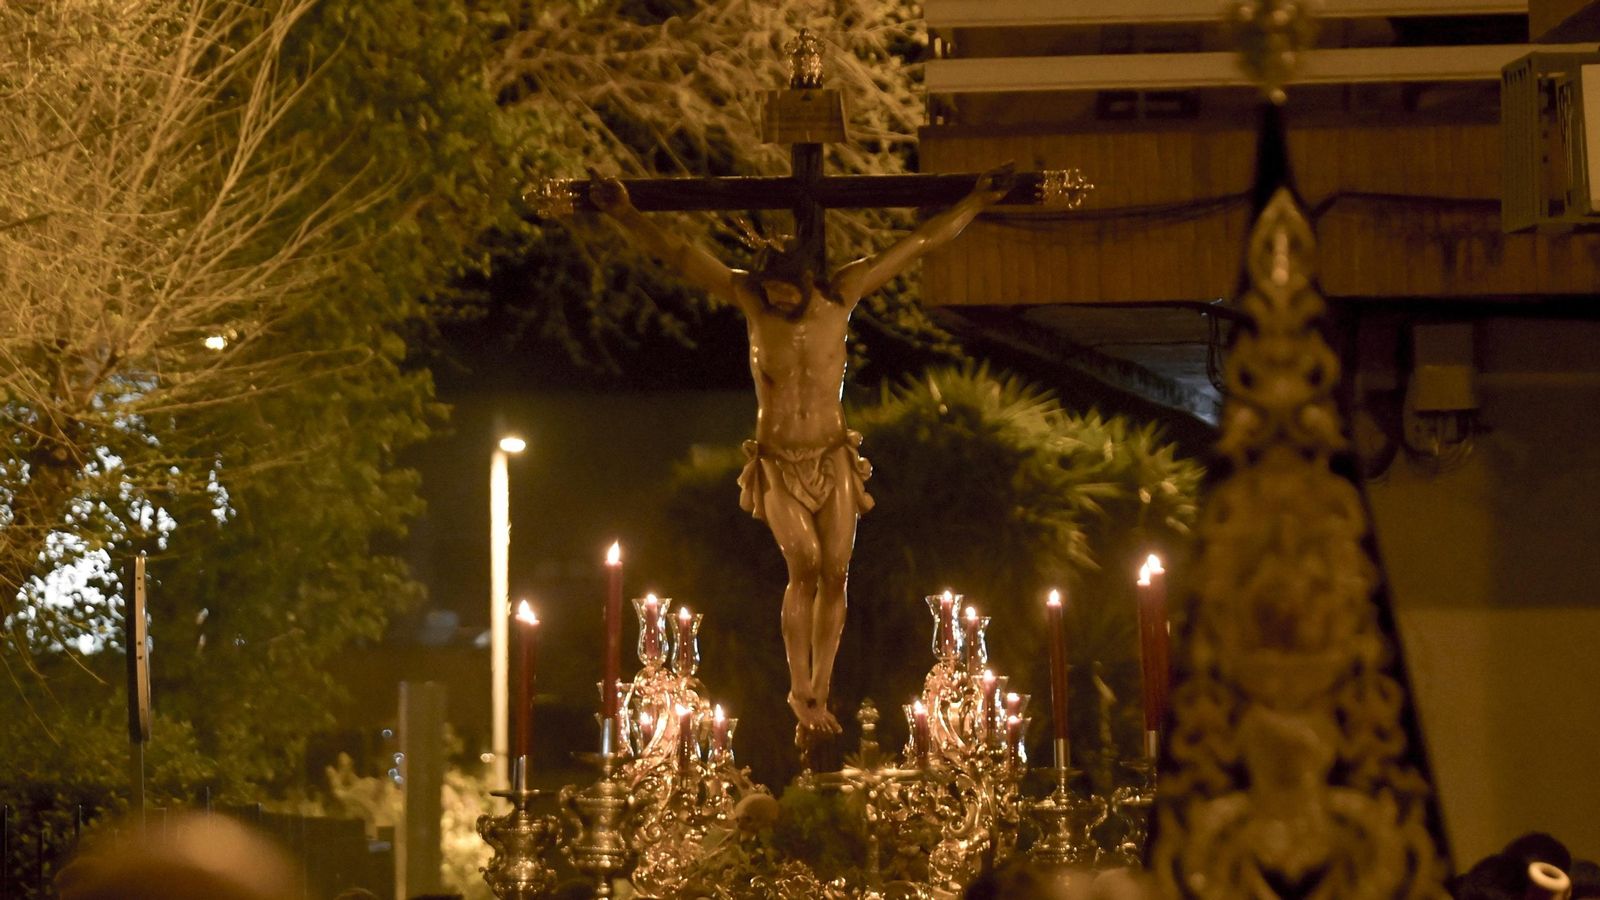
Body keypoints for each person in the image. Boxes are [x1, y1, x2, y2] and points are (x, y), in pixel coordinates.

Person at [591, 164, 1014, 741]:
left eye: (787, 292)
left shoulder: (842, 295)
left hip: (831, 453)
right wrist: (625, 213)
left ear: (809, 277)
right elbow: (680, 255)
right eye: (770, 292)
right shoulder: (752, 299)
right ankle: (799, 687)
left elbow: (918, 244)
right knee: (805, 565)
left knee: (836, 572)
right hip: (777, 460)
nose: (778, 300)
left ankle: (820, 686)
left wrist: (976, 202)